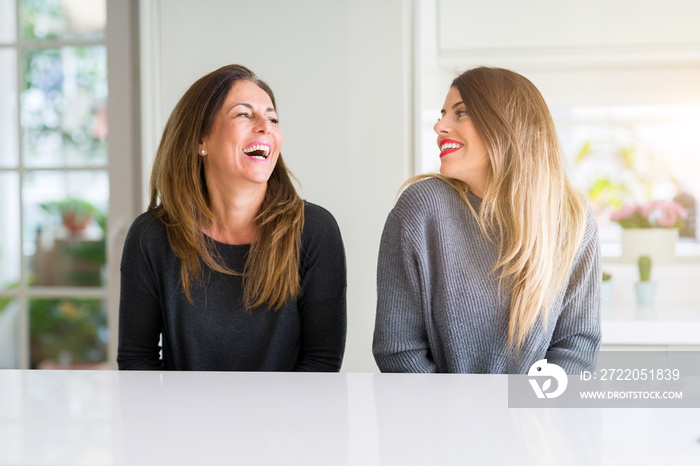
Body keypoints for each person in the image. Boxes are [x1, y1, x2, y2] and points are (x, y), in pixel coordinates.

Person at [118, 65, 347, 371]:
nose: (265, 126)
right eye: (244, 114)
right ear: (201, 139)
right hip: (181, 419)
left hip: (287, 419)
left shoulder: (314, 230)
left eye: (272, 118)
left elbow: (321, 363)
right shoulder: (152, 236)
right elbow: (137, 361)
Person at [373, 67, 601, 374]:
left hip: (535, 418)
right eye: (442, 114)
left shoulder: (572, 219)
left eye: (461, 113)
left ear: (506, 125)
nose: (439, 126)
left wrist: (532, 415)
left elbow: (576, 345)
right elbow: (399, 351)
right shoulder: (421, 209)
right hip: (436, 419)